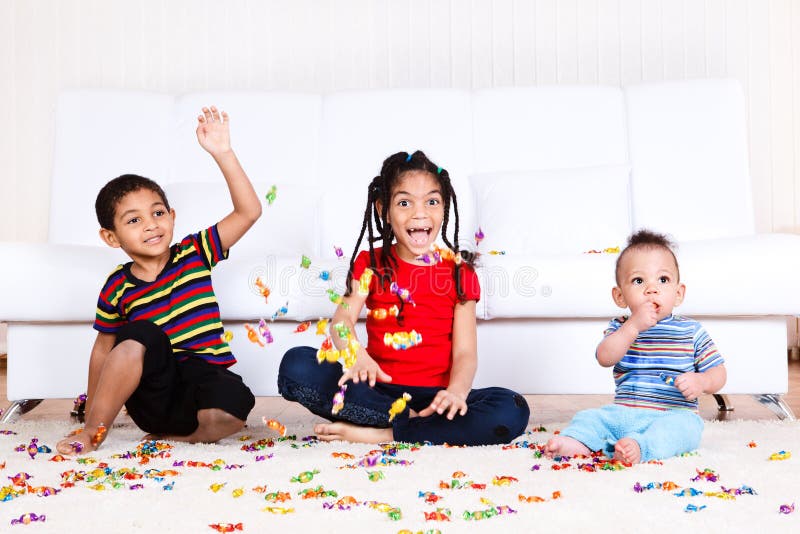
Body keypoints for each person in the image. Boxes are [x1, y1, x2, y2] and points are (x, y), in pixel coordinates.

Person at [278, 150, 530, 445]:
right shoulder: (370, 262)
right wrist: (355, 355)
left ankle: (384, 432)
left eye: (432, 202)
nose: (419, 213)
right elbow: (342, 321)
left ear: (444, 208)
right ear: (384, 209)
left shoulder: (460, 272)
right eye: (404, 202)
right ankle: (407, 423)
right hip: (376, 391)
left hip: (434, 400)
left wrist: (457, 392)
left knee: (511, 408)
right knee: (296, 365)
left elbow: (465, 353)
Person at [57, 106, 262, 454]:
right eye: (133, 221)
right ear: (111, 237)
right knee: (141, 332)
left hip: (202, 383)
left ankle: (187, 439)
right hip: (155, 393)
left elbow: (249, 212)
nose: (151, 224)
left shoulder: (195, 252)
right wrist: (93, 414)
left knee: (235, 402)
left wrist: (223, 153)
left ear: (172, 216)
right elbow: (103, 350)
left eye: (157, 213)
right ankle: (94, 433)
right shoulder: (116, 286)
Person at [545, 229, 727, 463]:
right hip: (624, 414)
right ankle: (577, 441)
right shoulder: (621, 327)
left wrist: (702, 381)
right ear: (620, 296)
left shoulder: (691, 331)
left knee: (686, 430)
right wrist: (633, 327)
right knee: (590, 418)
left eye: (663, 280)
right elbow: (604, 357)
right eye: (638, 281)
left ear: (679, 293)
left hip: (673, 414)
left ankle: (641, 447)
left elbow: (719, 373)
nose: (651, 289)